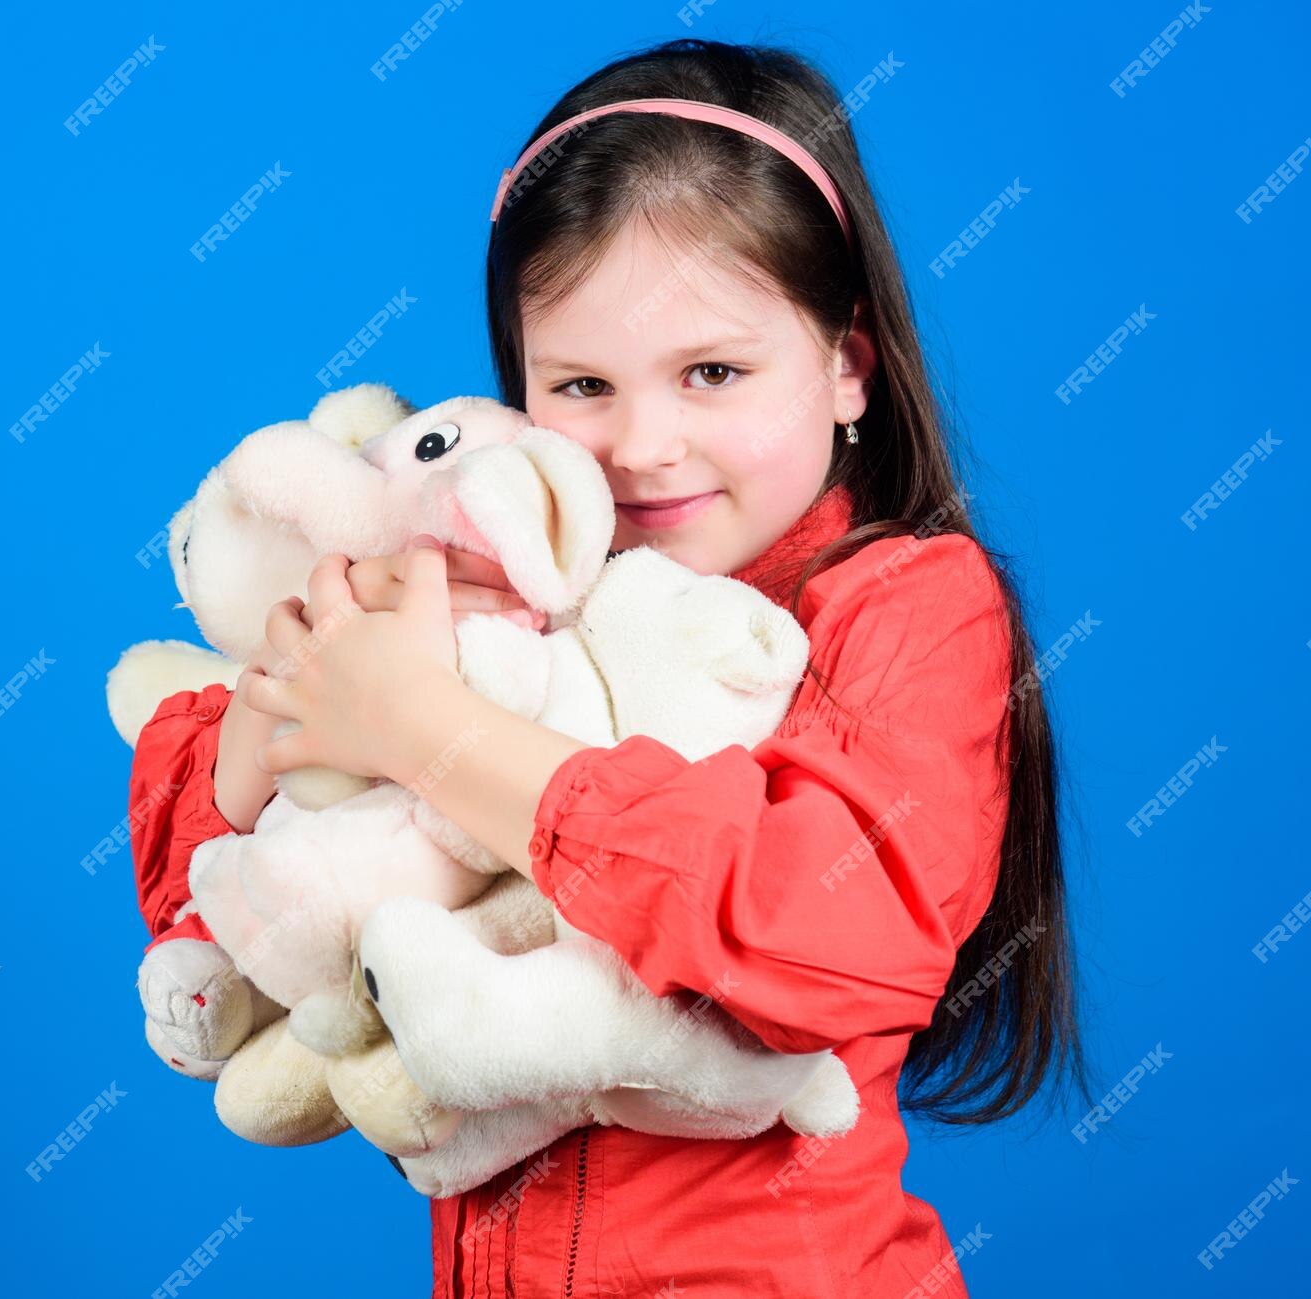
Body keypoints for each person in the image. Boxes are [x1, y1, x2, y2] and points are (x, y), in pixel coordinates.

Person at [128, 38, 1085, 1298]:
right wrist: (284, 715)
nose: (642, 445)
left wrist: (427, 734)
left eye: (712, 372)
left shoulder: (907, 605)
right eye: (581, 383)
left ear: (845, 365)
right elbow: (238, 887)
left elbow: (832, 934)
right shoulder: (505, 582)